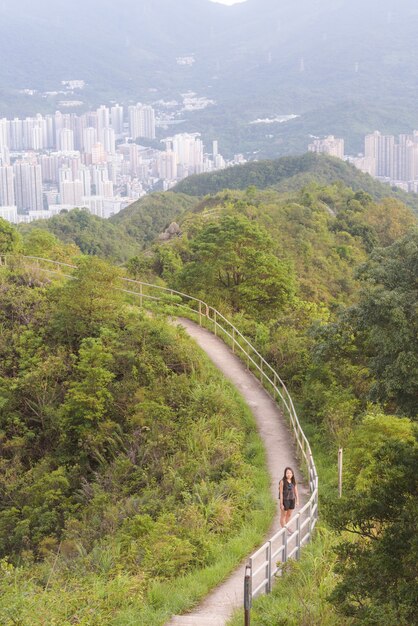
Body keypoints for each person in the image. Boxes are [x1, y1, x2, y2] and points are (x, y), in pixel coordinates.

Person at [279, 467, 299, 532]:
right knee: (283, 515)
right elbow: (281, 493)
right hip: (285, 500)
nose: (289, 474)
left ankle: (287, 527)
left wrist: (297, 500)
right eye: (287, 473)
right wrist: (281, 503)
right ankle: (284, 530)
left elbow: (296, 491)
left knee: (289, 515)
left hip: (292, 500)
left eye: (290, 473)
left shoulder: (294, 481)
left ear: (292, 474)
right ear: (285, 474)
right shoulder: (282, 482)